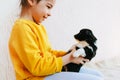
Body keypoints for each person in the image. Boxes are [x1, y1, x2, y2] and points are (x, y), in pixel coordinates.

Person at [8, 0, 104, 80]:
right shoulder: (22, 28)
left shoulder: (38, 27)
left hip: (46, 73)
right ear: (31, 1)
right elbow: (36, 67)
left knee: (99, 76)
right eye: (48, 6)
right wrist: (70, 57)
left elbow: (48, 54)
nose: (50, 14)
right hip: (36, 77)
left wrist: (69, 54)